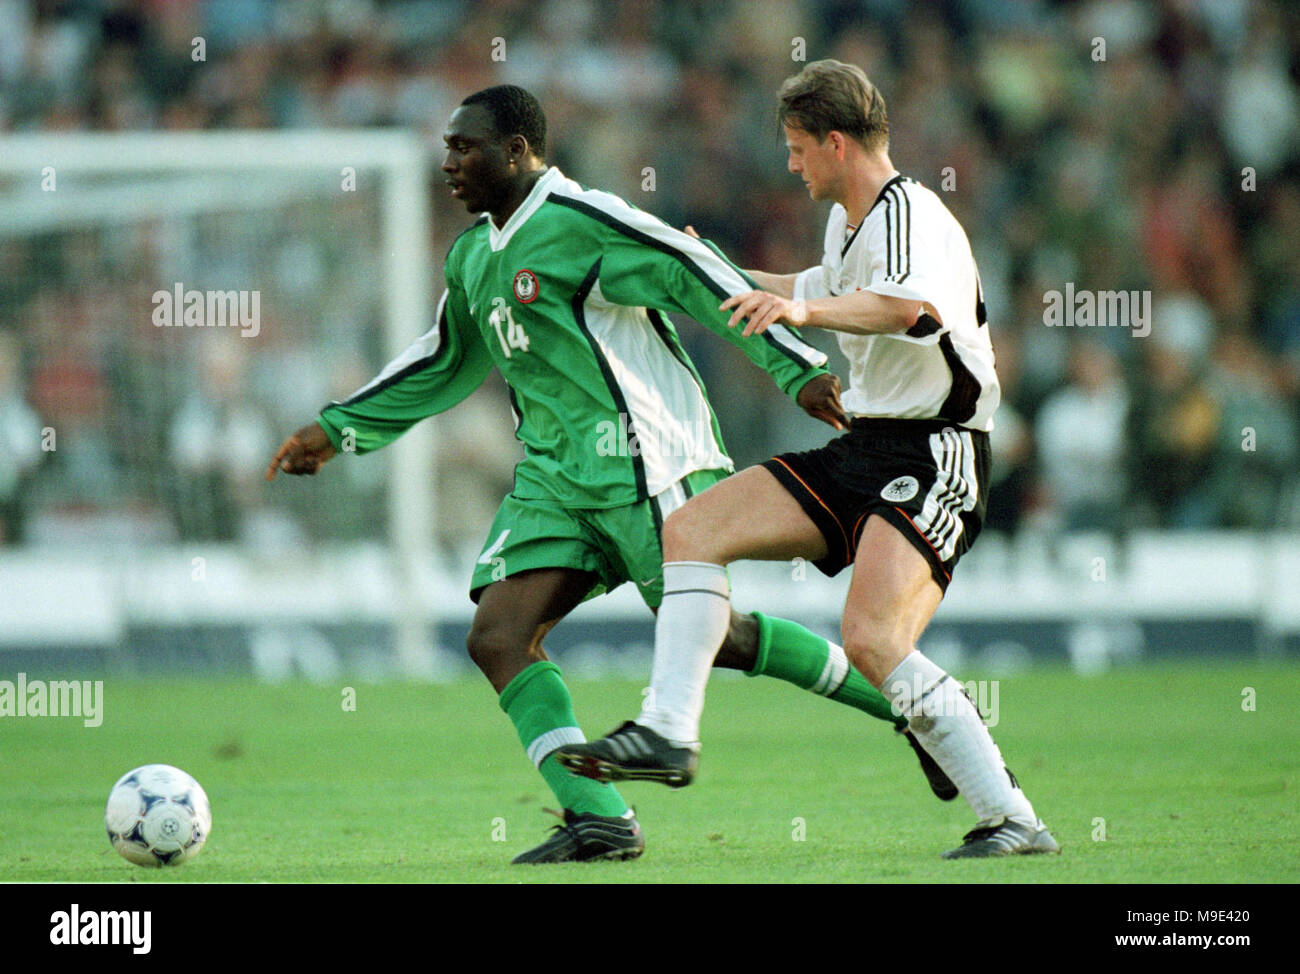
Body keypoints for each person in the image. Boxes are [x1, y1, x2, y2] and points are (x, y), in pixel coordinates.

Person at [265, 84, 956, 865]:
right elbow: (445, 358)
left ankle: (916, 711)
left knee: (719, 640)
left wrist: (794, 367)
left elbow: (690, 265)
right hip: (556, 483)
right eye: (447, 148)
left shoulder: (583, 222)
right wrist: (337, 430)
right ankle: (600, 818)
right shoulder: (472, 257)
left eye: (466, 148)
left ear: (519, 152)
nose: (449, 163)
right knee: (497, 636)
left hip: (647, 460)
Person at [556, 62, 1059, 859]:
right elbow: (815, 282)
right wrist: (715, 271)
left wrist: (801, 310)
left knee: (871, 638)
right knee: (691, 530)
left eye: (797, 149)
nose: (790, 165)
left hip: (938, 452)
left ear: (835, 143)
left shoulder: (911, 214)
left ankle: (1015, 819)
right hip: (865, 444)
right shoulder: (851, 222)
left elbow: (906, 309)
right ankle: (667, 732)